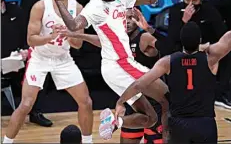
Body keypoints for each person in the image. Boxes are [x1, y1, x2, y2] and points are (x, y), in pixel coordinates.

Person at [115, 0, 231, 144]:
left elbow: (139, 83)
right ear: (200, 40)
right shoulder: (210, 59)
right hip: (205, 123)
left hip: (179, 123)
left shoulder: (168, 61)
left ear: (182, 41)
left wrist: (120, 101)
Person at [52, 0, 175, 141]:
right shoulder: (94, 7)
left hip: (122, 65)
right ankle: (167, 140)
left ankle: (114, 121)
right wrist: (58, 0)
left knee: (150, 119)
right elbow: (73, 24)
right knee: (167, 98)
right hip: (119, 65)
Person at [2, 0, 94, 143]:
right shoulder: (40, 6)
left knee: (86, 102)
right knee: (26, 105)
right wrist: (50, 36)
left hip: (63, 60)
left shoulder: (78, 9)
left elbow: (77, 45)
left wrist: (68, 33)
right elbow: (31, 40)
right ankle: (6, 141)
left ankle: (88, 141)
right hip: (40, 58)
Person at [59, 8, 169, 143]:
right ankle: (116, 122)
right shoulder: (118, 40)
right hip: (132, 99)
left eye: (131, 18)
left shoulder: (144, 37)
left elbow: (168, 46)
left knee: (154, 127)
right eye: (124, 19)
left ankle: (116, 122)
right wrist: (76, 35)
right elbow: (100, 41)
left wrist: (149, 28)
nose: (127, 22)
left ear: (139, 19)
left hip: (153, 101)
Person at [166, 0, 231, 110]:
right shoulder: (175, 11)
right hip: (183, 48)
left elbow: (222, 34)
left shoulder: (209, 11)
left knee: (228, 53)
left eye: (194, 1)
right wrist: (184, 21)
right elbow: (172, 39)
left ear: (201, 0)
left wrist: (210, 46)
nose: (190, 4)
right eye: (187, 0)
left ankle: (221, 95)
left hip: (205, 47)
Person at [1, 0, 53, 127]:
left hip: (16, 62)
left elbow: (29, 37)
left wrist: (25, 51)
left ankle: (35, 112)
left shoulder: (17, 11)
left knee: (40, 69)